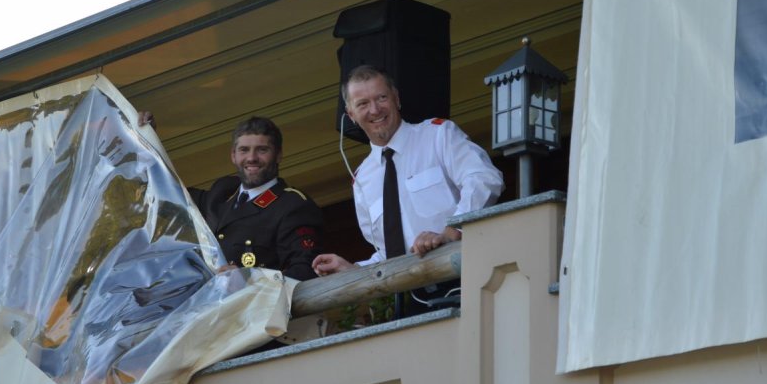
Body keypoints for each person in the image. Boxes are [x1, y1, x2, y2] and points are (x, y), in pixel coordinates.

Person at [312, 65, 503, 311]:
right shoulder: (361, 179)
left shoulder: (437, 135)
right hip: (410, 301)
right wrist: (353, 270)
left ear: (396, 99)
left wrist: (451, 231)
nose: (375, 110)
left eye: (382, 98)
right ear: (351, 115)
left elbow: (484, 178)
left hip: (465, 281)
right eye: (363, 104)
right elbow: (388, 252)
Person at [151, 114, 323, 281]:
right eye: (244, 150)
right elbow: (168, 197)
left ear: (278, 155)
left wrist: (249, 279)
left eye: (262, 150)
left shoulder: (293, 205)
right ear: (233, 155)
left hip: (257, 301)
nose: (252, 158)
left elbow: (306, 271)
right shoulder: (223, 191)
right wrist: (144, 138)